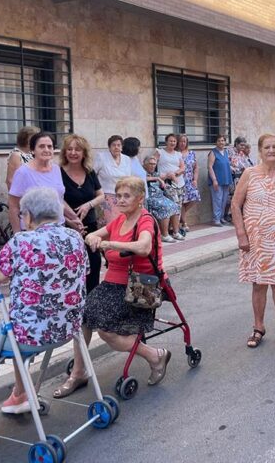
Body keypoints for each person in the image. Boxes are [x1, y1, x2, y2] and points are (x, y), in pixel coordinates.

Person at [0, 187, 88, 443]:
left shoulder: (22, 242)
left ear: (30, 216)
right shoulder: (74, 238)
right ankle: (20, 396)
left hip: (29, 334)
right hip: (67, 329)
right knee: (12, 335)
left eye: (23, 214)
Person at [81, 177, 172, 387]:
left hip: (142, 286)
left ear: (140, 198)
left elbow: (144, 247)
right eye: (118, 196)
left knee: (106, 330)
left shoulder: (146, 220)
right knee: (83, 315)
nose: (120, 200)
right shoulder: (120, 220)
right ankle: (80, 368)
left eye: (126, 196)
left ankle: (154, 355)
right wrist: (92, 238)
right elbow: (93, 234)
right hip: (114, 283)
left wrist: (110, 243)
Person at [231, 134, 275, 349]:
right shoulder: (249, 174)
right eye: (267, 147)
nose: (271, 150)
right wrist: (241, 234)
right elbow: (235, 205)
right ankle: (258, 327)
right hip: (255, 239)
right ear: (260, 151)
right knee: (259, 284)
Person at [8, 132, 83, 234]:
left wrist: (74, 218)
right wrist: (17, 234)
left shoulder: (56, 169)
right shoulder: (23, 172)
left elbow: (59, 199)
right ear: (33, 150)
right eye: (41, 146)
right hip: (33, 231)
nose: (46, 150)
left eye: (49, 146)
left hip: (58, 228)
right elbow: (13, 206)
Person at [60, 134, 103, 292]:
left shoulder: (90, 172)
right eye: (69, 149)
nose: (73, 152)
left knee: (94, 263)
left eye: (77, 149)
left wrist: (88, 205)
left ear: (84, 153)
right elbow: (56, 200)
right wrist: (71, 219)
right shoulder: (58, 173)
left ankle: (92, 305)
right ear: (65, 152)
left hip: (90, 227)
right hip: (67, 228)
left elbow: (101, 195)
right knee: (71, 268)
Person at [95, 135, 134, 226]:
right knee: (112, 223)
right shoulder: (101, 157)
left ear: (122, 147)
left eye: (119, 145)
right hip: (106, 195)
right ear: (109, 147)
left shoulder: (126, 159)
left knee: (126, 222)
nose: (116, 147)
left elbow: (129, 178)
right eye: (113, 145)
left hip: (123, 196)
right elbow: (92, 175)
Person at [143, 156, 182, 243]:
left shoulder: (156, 173)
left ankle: (176, 232)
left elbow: (166, 176)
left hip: (160, 197)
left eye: (154, 164)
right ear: (145, 165)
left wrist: (163, 183)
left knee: (175, 206)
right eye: (150, 164)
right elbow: (142, 179)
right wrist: (157, 179)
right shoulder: (142, 173)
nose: (152, 166)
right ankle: (164, 235)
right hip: (150, 198)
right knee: (165, 207)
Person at [155, 134, 186, 239]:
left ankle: (175, 231)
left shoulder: (178, 154)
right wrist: (163, 176)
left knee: (178, 207)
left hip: (179, 183)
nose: (173, 143)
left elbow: (182, 167)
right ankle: (169, 231)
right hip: (166, 183)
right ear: (166, 142)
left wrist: (175, 174)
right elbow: (152, 164)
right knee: (173, 205)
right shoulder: (160, 152)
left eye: (174, 141)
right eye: (170, 141)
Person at [207, 134, 232, 226]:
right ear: (216, 142)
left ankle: (221, 218)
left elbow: (226, 164)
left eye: (223, 140)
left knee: (224, 200)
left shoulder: (226, 152)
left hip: (226, 179)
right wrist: (214, 180)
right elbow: (209, 167)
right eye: (219, 140)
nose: (221, 142)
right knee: (217, 199)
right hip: (216, 180)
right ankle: (216, 219)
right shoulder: (213, 152)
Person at [178, 134, 200, 232]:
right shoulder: (175, 153)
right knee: (182, 201)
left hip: (190, 180)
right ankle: (184, 222)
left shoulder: (191, 153)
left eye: (184, 141)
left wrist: (195, 179)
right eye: (181, 141)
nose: (182, 143)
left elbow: (196, 168)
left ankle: (179, 216)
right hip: (179, 180)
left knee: (195, 197)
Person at [5, 126, 39, 190]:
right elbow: (10, 180)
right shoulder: (16, 155)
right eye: (33, 138)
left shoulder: (31, 153)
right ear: (25, 138)